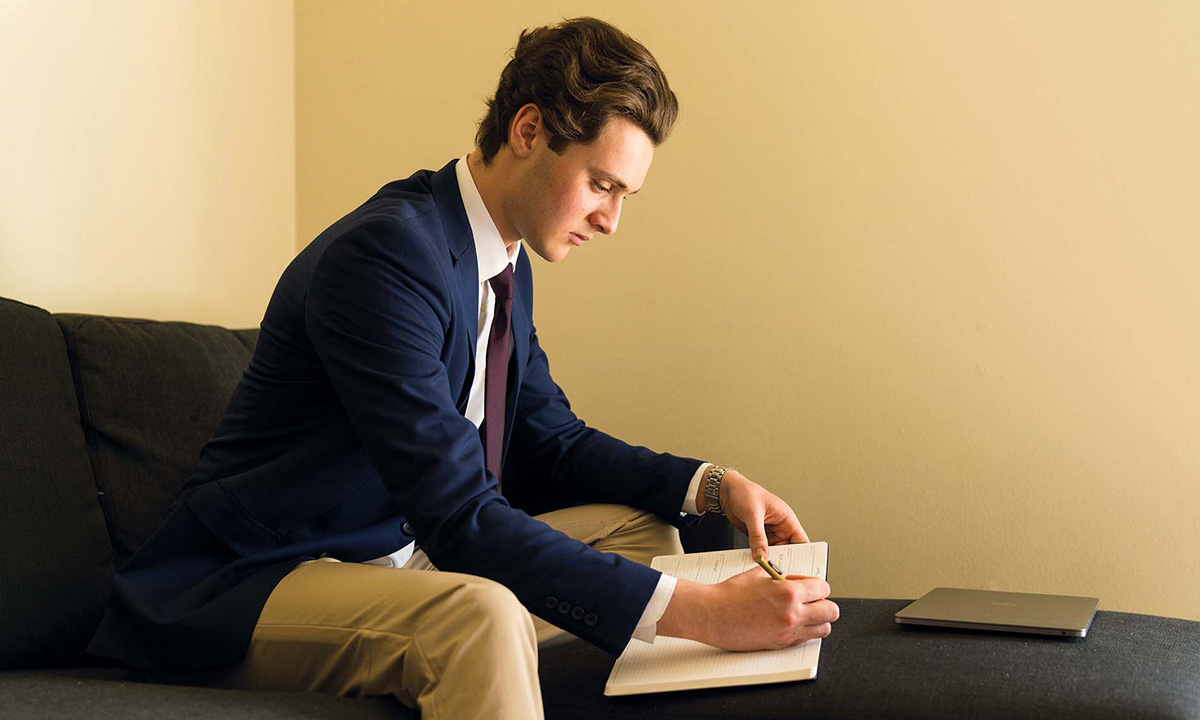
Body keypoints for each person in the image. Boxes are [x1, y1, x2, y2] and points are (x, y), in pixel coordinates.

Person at [86, 16, 839, 719]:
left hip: (401, 555)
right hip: (251, 579)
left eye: (625, 194)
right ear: (529, 130)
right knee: (478, 614)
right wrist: (703, 613)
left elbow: (552, 443)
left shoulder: (502, 260)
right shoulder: (383, 259)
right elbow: (461, 515)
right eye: (602, 184)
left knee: (640, 533)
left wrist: (708, 485)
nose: (612, 219)